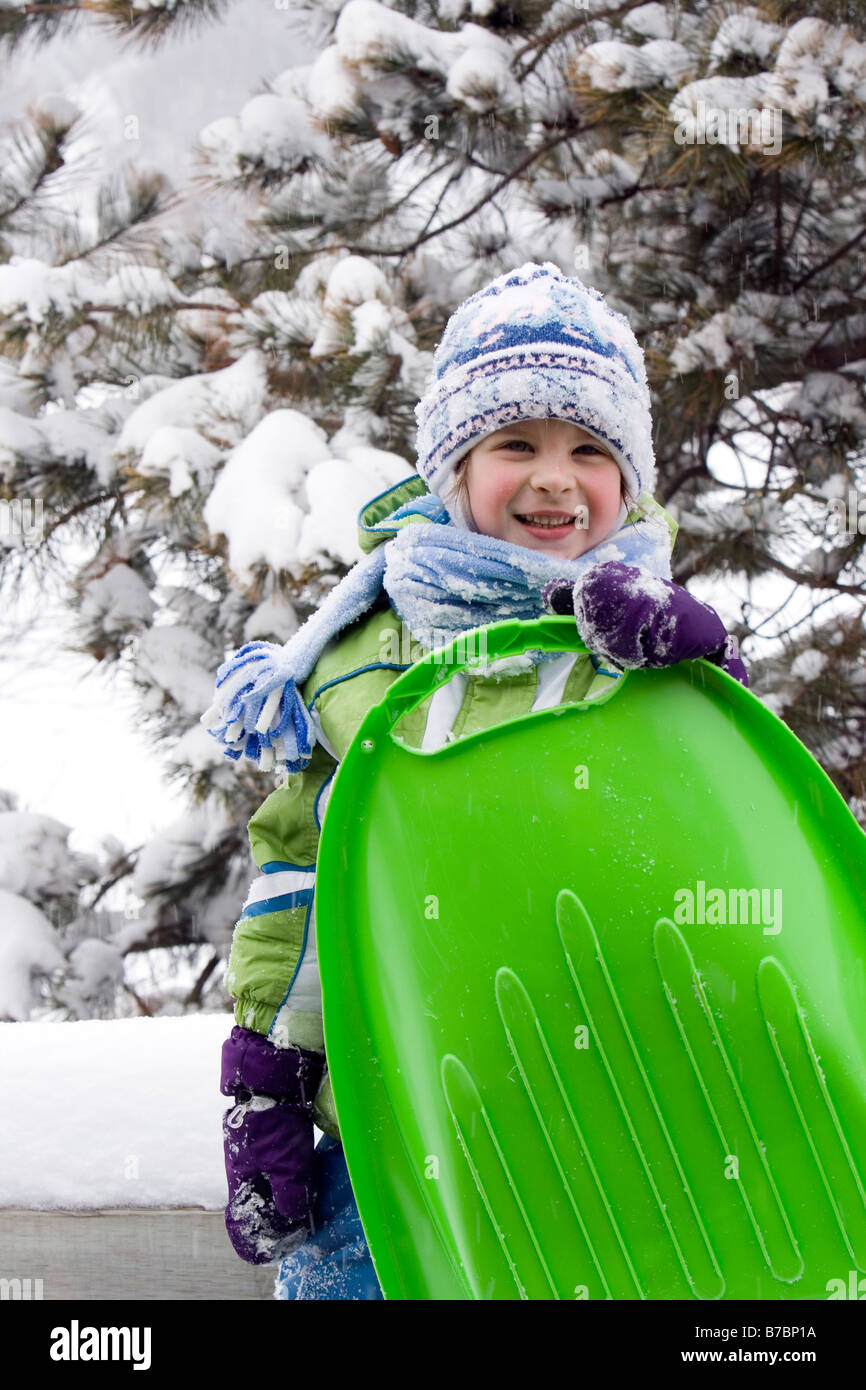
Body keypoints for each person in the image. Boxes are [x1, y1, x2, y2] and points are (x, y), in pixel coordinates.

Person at [203, 261, 748, 1300]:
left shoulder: (646, 641)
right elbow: (303, 886)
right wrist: (265, 1076)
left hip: (629, 1112)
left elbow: (735, 838)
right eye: (515, 444)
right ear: (454, 466)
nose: (553, 477)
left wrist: (703, 668)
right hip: (408, 1102)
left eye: (589, 450)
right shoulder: (360, 665)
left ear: (626, 482)